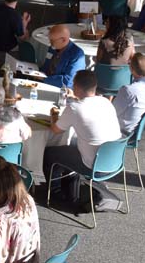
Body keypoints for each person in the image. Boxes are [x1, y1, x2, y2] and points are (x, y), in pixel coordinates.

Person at [44, 70, 122, 204]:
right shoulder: (106, 102)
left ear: (76, 87)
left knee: (50, 152)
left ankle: (55, 192)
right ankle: (68, 185)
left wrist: (54, 117)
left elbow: (56, 130)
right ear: (95, 86)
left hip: (92, 166)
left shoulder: (74, 108)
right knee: (72, 145)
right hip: (114, 163)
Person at [112, 53, 145, 135]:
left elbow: (113, 112)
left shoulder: (128, 90)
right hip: (138, 129)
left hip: (122, 130)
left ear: (131, 69)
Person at [0, 0, 31, 66]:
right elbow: (21, 37)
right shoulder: (15, 15)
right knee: (28, 37)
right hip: (10, 48)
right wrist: (24, 23)